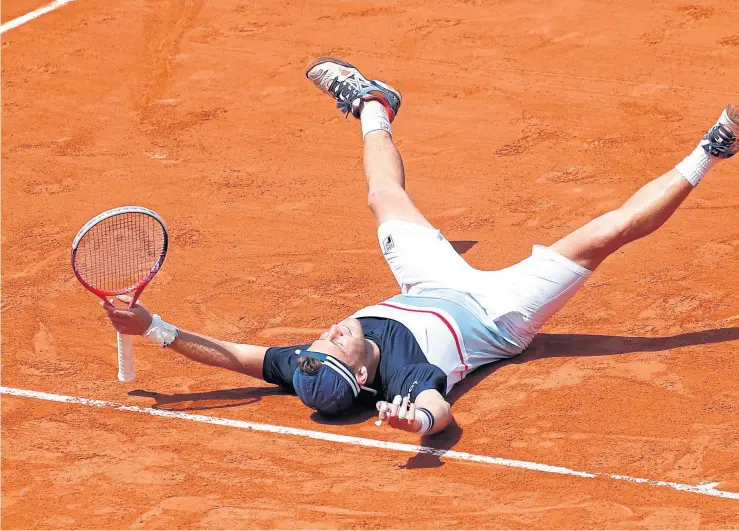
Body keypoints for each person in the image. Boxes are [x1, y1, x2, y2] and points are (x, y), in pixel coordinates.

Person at [102, 57, 738, 437]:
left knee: (383, 197)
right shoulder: (407, 379)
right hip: (498, 312)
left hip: (428, 285)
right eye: (334, 345)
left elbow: (236, 358)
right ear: (360, 375)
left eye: (317, 346)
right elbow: (438, 408)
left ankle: (372, 102)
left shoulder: (310, 368)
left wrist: (152, 325)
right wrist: (420, 423)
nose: (324, 335)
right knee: (608, 233)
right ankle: (718, 143)